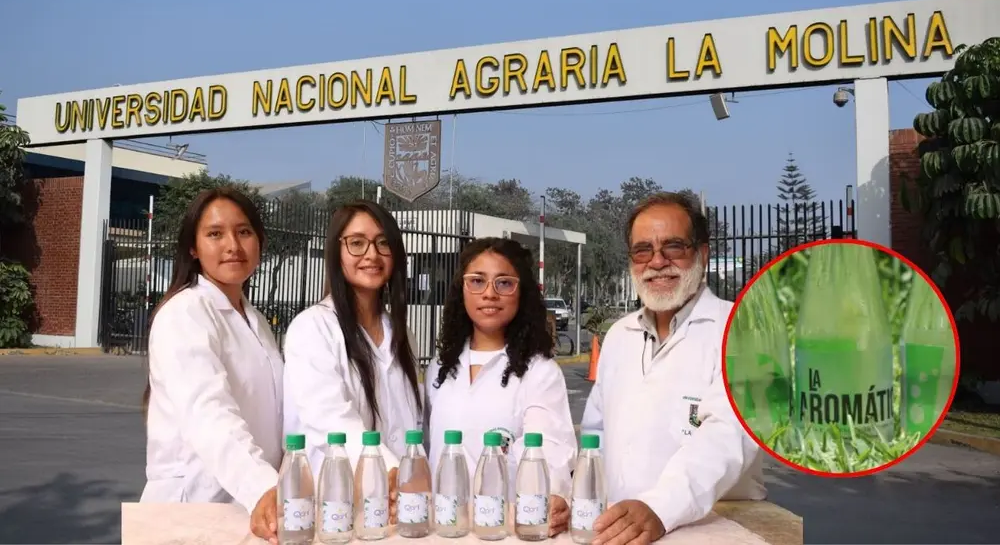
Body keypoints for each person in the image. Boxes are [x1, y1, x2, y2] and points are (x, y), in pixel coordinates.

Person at [580, 192, 764, 545]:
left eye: (674, 247)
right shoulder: (619, 335)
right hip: (621, 530)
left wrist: (660, 508)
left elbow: (728, 437)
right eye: (642, 250)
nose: (657, 262)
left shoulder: (741, 330)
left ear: (703, 254)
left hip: (714, 530)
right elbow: (595, 433)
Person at [140, 187, 285, 543]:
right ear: (193, 247)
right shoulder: (185, 313)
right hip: (193, 512)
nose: (233, 245)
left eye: (244, 232)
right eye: (215, 234)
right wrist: (263, 486)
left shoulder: (256, 321)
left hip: (252, 510)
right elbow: (209, 413)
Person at [279, 200, 423, 517]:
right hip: (335, 509)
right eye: (357, 243)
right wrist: (392, 472)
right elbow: (329, 417)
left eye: (383, 243)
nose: (371, 254)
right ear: (336, 252)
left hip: (399, 507)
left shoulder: (402, 333)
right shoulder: (312, 327)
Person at [424, 237, 576, 536]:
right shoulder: (439, 370)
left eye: (504, 283)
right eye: (477, 281)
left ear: (522, 294)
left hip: (507, 529)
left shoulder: (539, 372)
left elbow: (550, 449)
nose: (489, 294)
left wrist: (554, 495)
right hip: (442, 528)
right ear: (462, 291)